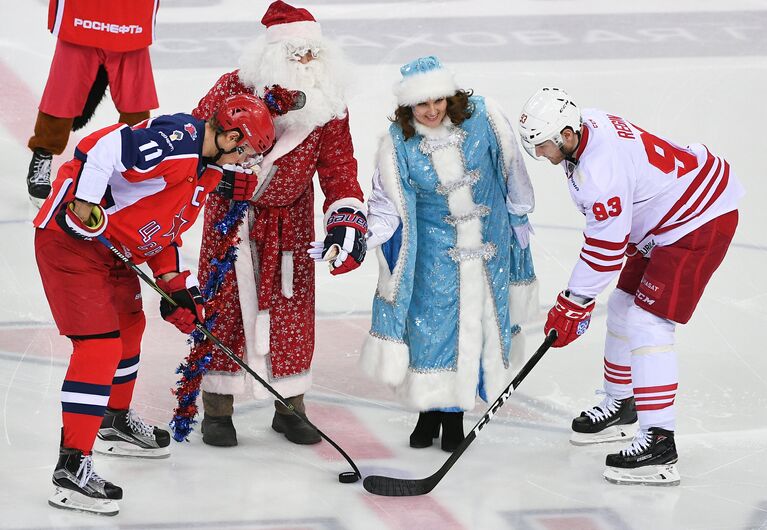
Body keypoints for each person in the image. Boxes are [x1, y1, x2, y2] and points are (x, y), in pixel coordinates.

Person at [33, 94, 275, 515]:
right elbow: (104, 147)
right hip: (69, 244)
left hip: (112, 250)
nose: (247, 162)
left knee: (129, 331)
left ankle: (113, 420)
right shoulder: (181, 143)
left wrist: (176, 288)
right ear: (232, 136)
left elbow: (164, 227)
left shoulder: (205, 169)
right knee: (99, 347)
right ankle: (71, 468)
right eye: (248, 152)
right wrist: (86, 200)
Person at [518, 87, 744, 485]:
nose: (539, 154)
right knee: (623, 305)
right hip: (664, 219)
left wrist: (573, 303)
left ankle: (659, 444)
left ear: (568, 135)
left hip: (699, 218)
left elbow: (606, 250)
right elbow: (616, 232)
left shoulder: (601, 172)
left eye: (543, 145)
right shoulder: (587, 124)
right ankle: (622, 403)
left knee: (647, 323)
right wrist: (578, 301)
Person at [190, 0, 365, 447]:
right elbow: (198, 138)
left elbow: (339, 167)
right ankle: (218, 407)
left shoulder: (329, 106)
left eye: (313, 53)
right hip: (232, 218)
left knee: (292, 308)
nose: (306, 61)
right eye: (295, 54)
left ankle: (290, 406)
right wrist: (225, 174)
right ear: (270, 55)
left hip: (292, 220)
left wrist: (346, 217)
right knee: (223, 305)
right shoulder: (232, 87)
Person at [359, 56, 538, 453]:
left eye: (438, 101)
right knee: (431, 328)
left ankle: (454, 413)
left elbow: (511, 168)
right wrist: (361, 238)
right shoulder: (398, 142)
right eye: (422, 105)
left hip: (487, 246)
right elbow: (387, 203)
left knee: (475, 326)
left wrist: (520, 214)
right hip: (434, 252)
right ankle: (429, 410)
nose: (432, 110)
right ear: (408, 107)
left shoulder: (485, 118)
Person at [27, 0, 160, 208]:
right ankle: (44, 152)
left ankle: (133, 165)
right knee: (64, 89)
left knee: (135, 99)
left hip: (130, 15)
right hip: (83, 14)